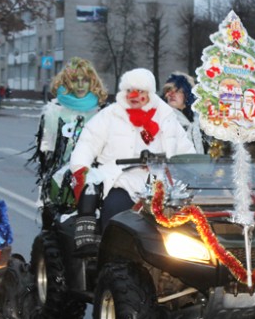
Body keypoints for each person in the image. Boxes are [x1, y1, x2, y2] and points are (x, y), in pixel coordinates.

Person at [69, 68, 196, 249]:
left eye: (140, 91)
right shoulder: (110, 115)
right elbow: (87, 143)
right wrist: (81, 168)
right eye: (129, 90)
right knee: (115, 216)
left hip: (161, 185)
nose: (134, 95)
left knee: (181, 230)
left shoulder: (166, 117)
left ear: (149, 93)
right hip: (121, 181)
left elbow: (186, 152)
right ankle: (110, 262)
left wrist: (199, 171)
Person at [33, 56, 108, 208]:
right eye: (75, 80)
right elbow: (46, 151)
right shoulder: (54, 112)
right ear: (67, 82)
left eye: (85, 80)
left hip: (96, 176)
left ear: (92, 82)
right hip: (62, 178)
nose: (80, 85)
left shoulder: (103, 112)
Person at [161, 72, 204, 153]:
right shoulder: (164, 117)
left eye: (177, 91)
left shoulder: (197, 118)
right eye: (168, 91)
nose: (171, 95)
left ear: (187, 94)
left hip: (199, 163)